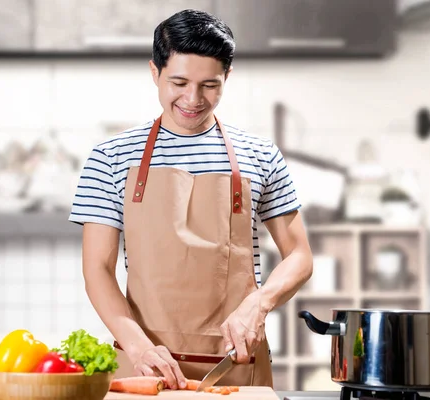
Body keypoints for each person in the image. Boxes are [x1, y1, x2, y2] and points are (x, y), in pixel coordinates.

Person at [69, 8, 313, 390]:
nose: (193, 99)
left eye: (209, 85)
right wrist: (139, 347)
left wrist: (259, 304)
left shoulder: (261, 155)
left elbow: (299, 256)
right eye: (179, 82)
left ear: (227, 77)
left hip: (237, 362)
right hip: (144, 365)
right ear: (155, 73)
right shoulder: (111, 158)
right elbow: (97, 269)